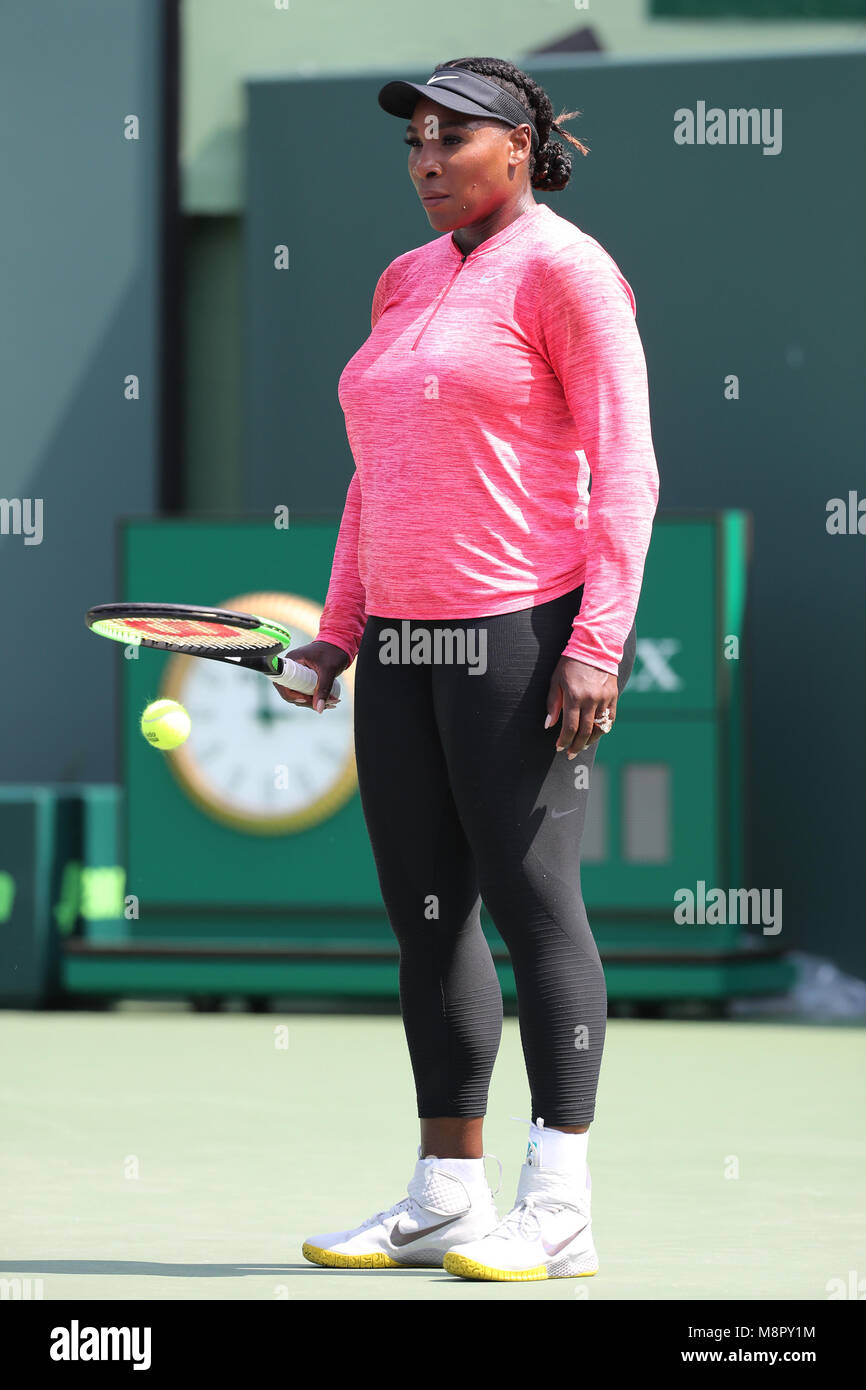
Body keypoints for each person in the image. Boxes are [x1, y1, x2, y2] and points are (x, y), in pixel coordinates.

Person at [277, 56, 659, 1282]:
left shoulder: (566, 269)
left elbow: (626, 468)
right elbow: (367, 483)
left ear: (519, 147)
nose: (427, 162)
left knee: (535, 906)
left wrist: (594, 642)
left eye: (453, 139)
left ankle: (559, 1201)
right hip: (397, 642)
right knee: (425, 916)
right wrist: (338, 632)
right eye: (414, 145)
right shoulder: (402, 281)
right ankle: (446, 1191)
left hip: (517, 634)